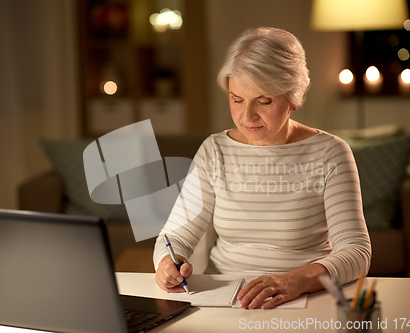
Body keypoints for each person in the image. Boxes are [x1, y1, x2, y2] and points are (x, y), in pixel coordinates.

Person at [153, 27, 371, 309]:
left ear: (293, 98)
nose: (247, 116)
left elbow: (356, 252)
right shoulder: (214, 150)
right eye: (237, 99)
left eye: (264, 101)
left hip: (306, 299)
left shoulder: (330, 153)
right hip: (225, 299)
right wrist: (167, 263)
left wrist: (295, 281)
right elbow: (174, 236)